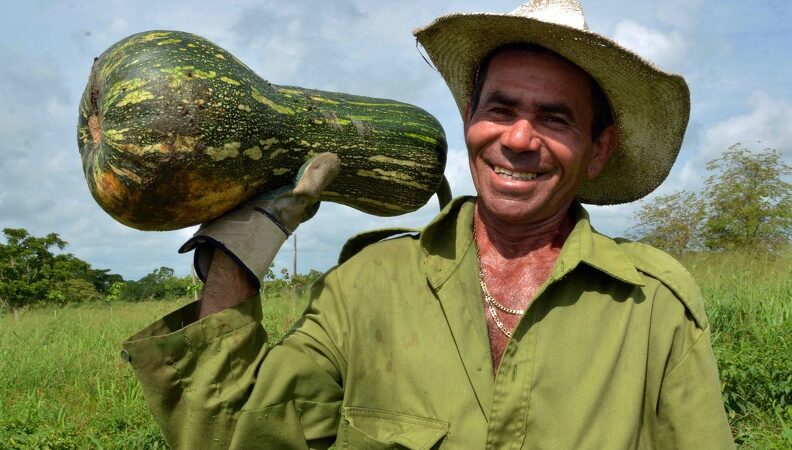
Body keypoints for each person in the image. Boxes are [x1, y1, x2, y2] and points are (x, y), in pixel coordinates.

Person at [122, 1, 735, 448]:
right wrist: (242, 239)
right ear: (470, 121)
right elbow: (233, 435)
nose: (519, 139)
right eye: (500, 109)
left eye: (555, 119)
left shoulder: (655, 301)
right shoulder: (364, 287)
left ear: (597, 150)